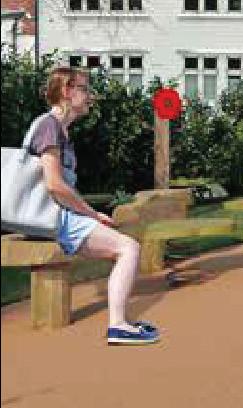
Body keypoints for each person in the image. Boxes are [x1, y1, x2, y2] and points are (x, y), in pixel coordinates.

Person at [23, 66, 160, 344]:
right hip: (52, 217)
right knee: (128, 248)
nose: (91, 96)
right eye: (85, 89)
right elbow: (54, 184)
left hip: (55, 216)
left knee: (123, 243)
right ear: (66, 91)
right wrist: (92, 214)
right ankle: (118, 326)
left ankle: (120, 324)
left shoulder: (58, 129)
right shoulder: (49, 126)